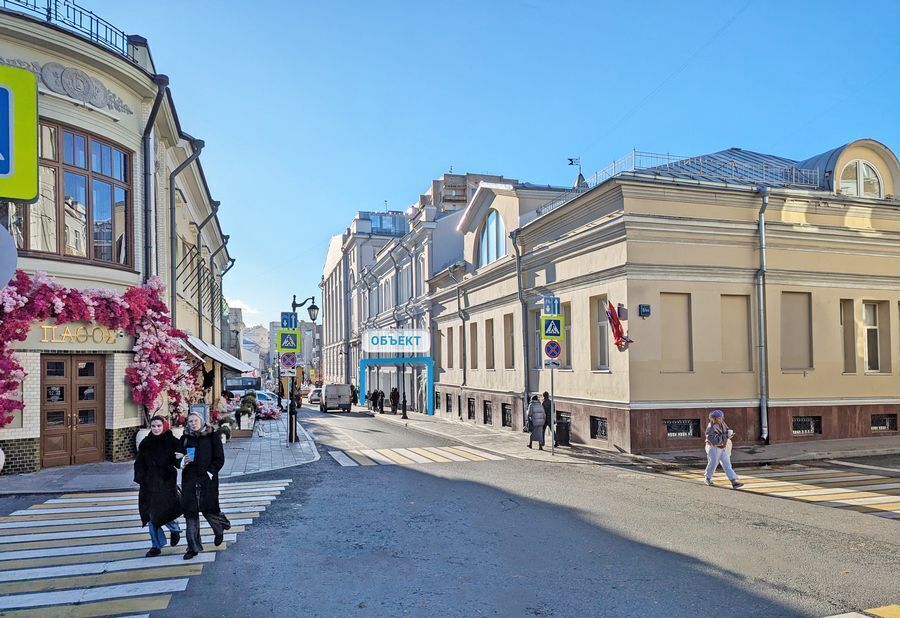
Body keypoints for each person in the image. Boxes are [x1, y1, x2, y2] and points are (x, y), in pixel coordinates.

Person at [179, 411, 231, 560]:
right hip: (189, 479)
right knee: (191, 513)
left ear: (202, 421)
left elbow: (219, 459)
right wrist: (182, 462)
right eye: (190, 422)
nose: (193, 424)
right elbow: (176, 456)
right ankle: (192, 547)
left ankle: (219, 529)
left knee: (210, 511)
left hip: (207, 479)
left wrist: (210, 472)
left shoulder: (212, 436)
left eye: (195, 421)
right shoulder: (185, 438)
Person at [134, 415, 183, 557]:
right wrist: (140, 478)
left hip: (166, 483)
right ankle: (156, 546)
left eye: (159, 426)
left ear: (164, 426)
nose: (156, 429)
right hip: (149, 484)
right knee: (150, 515)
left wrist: (182, 463)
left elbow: (178, 459)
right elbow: (139, 462)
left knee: (166, 511)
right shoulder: (146, 442)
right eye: (153, 426)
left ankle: (175, 529)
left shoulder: (172, 441)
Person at [704, 409, 744, 489]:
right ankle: (707, 478)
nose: (721, 419)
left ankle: (733, 482)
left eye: (721, 417)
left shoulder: (722, 423)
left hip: (723, 447)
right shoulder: (711, 428)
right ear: (713, 419)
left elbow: (726, 430)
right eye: (719, 418)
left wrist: (729, 434)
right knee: (713, 464)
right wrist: (726, 436)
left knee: (727, 464)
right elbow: (714, 441)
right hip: (714, 448)